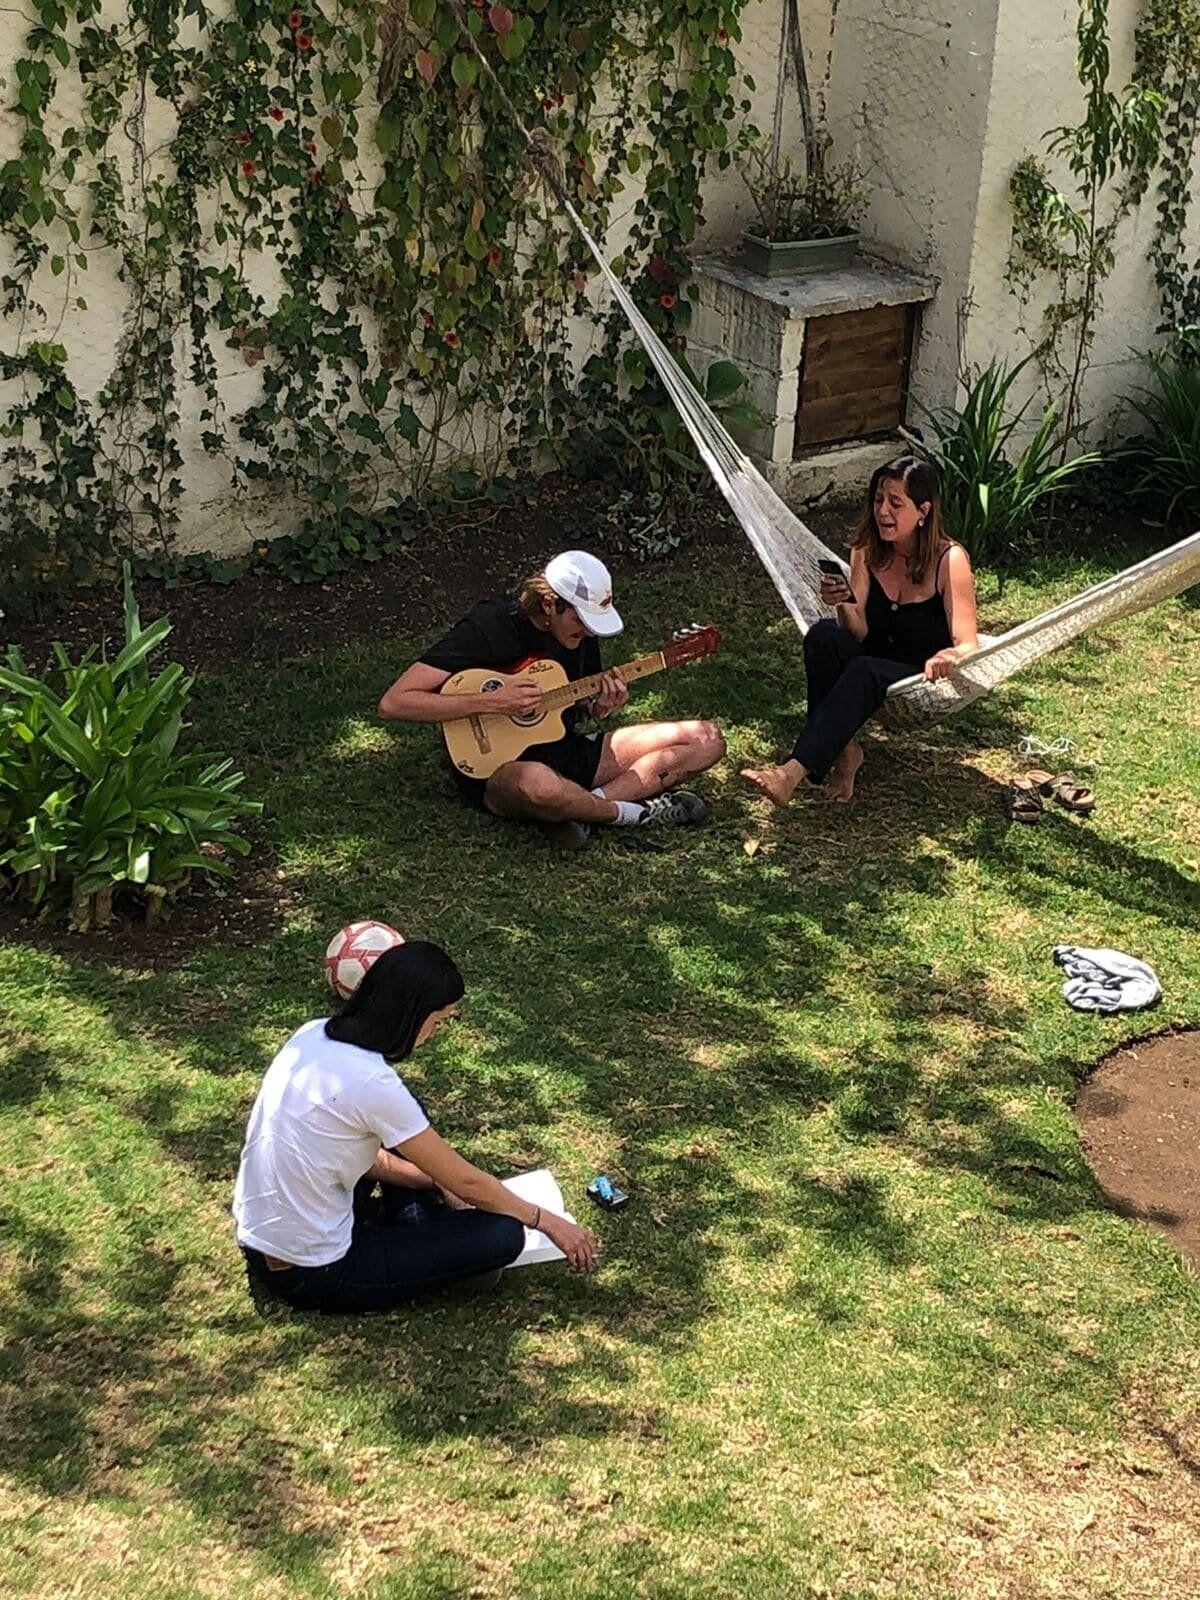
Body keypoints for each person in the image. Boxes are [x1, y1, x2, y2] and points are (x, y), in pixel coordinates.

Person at [232, 941, 598, 1312]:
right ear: (413, 1015)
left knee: (409, 1122)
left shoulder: (313, 1034)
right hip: (316, 1272)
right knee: (504, 1234)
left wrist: (435, 1181)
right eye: (438, 1021)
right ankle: (428, 1242)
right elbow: (468, 1183)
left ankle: (420, 1230)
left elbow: (355, 1155)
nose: (435, 1032)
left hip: (262, 1242)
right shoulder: (373, 1085)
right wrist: (546, 1220)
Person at [378, 549, 725, 850]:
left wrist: (599, 706)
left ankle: (580, 809)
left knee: (707, 740)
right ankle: (630, 814)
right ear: (548, 603)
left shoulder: (582, 634)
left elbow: (575, 706)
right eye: (579, 620)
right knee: (540, 785)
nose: (588, 631)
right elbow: (394, 703)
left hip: (565, 751)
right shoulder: (489, 627)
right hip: (498, 770)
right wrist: (494, 702)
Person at [741, 456, 980, 806]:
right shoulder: (867, 548)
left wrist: (951, 655)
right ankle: (846, 749)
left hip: (915, 672)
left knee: (864, 669)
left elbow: (968, 642)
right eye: (879, 499)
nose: (883, 511)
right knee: (823, 636)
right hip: (872, 654)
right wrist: (842, 602)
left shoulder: (950, 559)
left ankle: (790, 773)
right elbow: (858, 630)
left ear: (923, 510)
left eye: (896, 503)